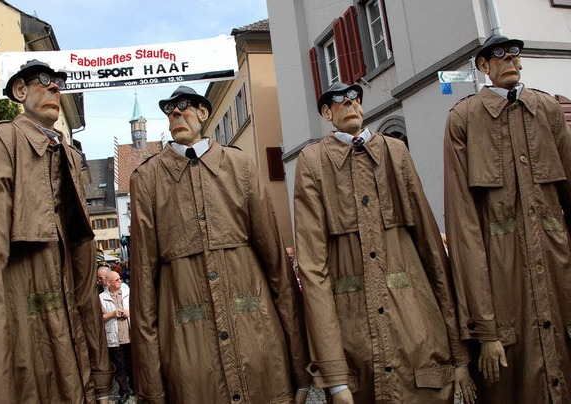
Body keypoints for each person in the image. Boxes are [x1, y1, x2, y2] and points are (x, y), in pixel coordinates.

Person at [0, 60, 113, 402]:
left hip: (71, 357)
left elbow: (84, 278)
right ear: (20, 91)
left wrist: (100, 379)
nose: (55, 88)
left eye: (58, 81)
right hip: (22, 348)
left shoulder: (70, 158)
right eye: (44, 80)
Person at [294, 82, 475, 403]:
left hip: (418, 335)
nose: (349, 105)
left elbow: (432, 250)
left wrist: (459, 353)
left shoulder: (396, 151)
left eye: (354, 99)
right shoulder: (313, 161)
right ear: (326, 112)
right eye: (339, 101)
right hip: (358, 344)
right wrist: (335, 380)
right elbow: (313, 270)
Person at [129, 85, 310, 403]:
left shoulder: (241, 167)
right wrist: (151, 394)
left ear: (203, 112)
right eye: (169, 109)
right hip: (191, 363)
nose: (175, 113)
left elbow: (278, 271)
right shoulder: (146, 180)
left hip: (259, 350)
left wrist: (300, 371)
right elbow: (143, 294)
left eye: (183, 105)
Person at [444, 34, 571, 403]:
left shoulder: (546, 109)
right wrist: (484, 330)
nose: (510, 60)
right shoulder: (464, 118)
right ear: (483, 66)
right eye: (499, 56)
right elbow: (464, 227)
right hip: (504, 288)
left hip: (558, 274)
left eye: (514, 54)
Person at [100, 271, 133, 404]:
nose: (120, 281)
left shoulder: (127, 293)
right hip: (114, 339)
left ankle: (134, 388)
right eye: (117, 280)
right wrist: (113, 314)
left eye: (120, 279)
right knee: (120, 368)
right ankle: (124, 391)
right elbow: (99, 318)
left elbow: (136, 308)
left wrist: (128, 313)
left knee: (132, 365)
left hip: (130, 337)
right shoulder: (101, 297)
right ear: (108, 283)